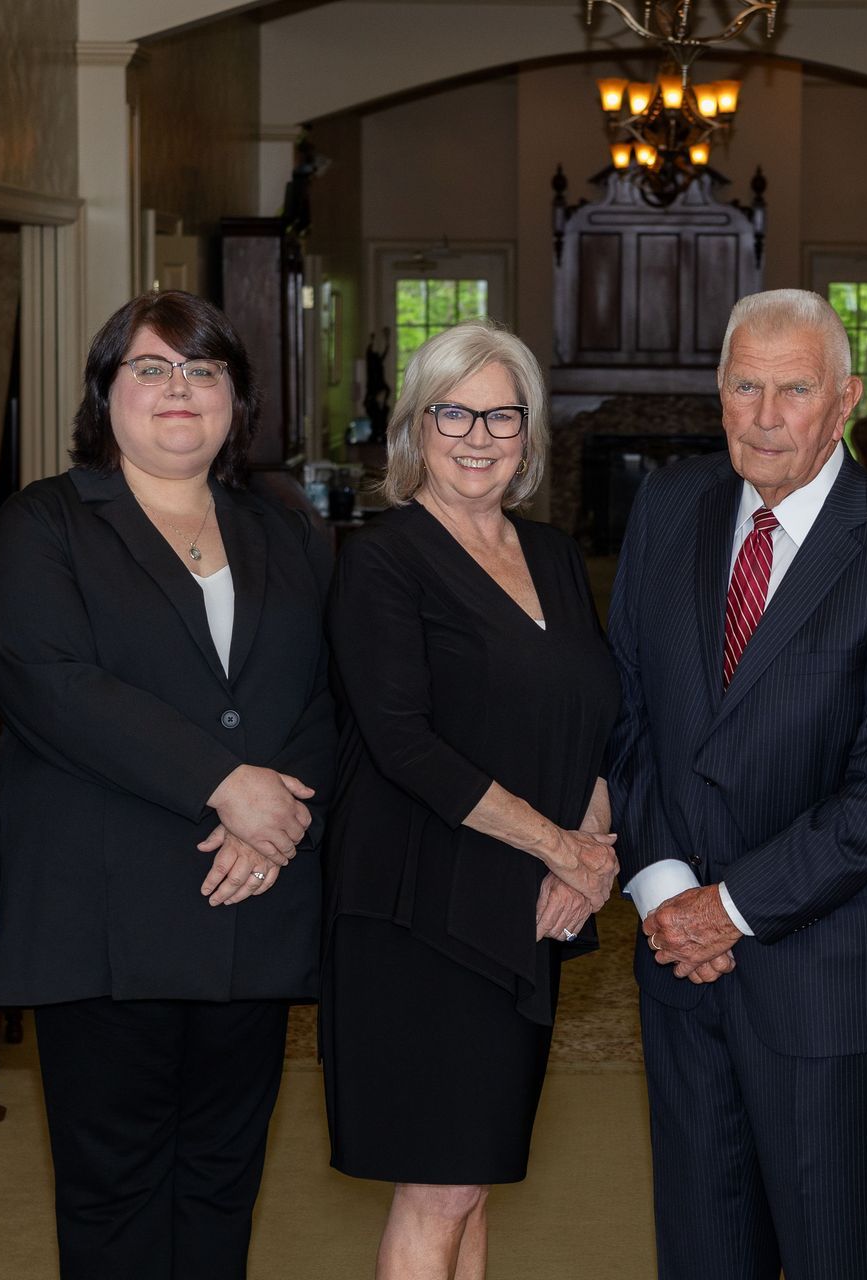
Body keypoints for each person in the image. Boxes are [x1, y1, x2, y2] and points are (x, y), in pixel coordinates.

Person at [0, 291, 335, 1279]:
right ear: (105, 396)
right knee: (115, 1190)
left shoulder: (286, 528)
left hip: (250, 905)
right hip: (105, 914)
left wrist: (274, 827)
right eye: (151, 368)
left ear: (235, 399)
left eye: (203, 370)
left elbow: (328, 689)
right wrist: (226, 784)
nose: (180, 390)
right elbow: (52, 685)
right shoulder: (44, 523)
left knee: (223, 1178)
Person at [606, 288, 867, 1278]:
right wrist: (665, 885)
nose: (766, 415)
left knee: (829, 1250)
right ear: (717, 394)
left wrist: (730, 905)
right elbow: (625, 712)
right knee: (702, 1248)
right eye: (745, 386)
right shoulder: (670, 506)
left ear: (844, 398)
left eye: (794, 388)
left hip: (821, 976)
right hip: (679, 964)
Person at [321, 319, 619, 1280]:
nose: (479, 435)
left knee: (475, 1174)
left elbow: (596, 718)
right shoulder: (381, 560)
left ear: (530, 434)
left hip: (522, 907)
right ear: (416, 426)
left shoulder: (556, 557)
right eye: (455, 411)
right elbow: (404, 743)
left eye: (503, 414)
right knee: (439, 1183)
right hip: (421, 908)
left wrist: (592, 844)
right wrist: (561, 849)